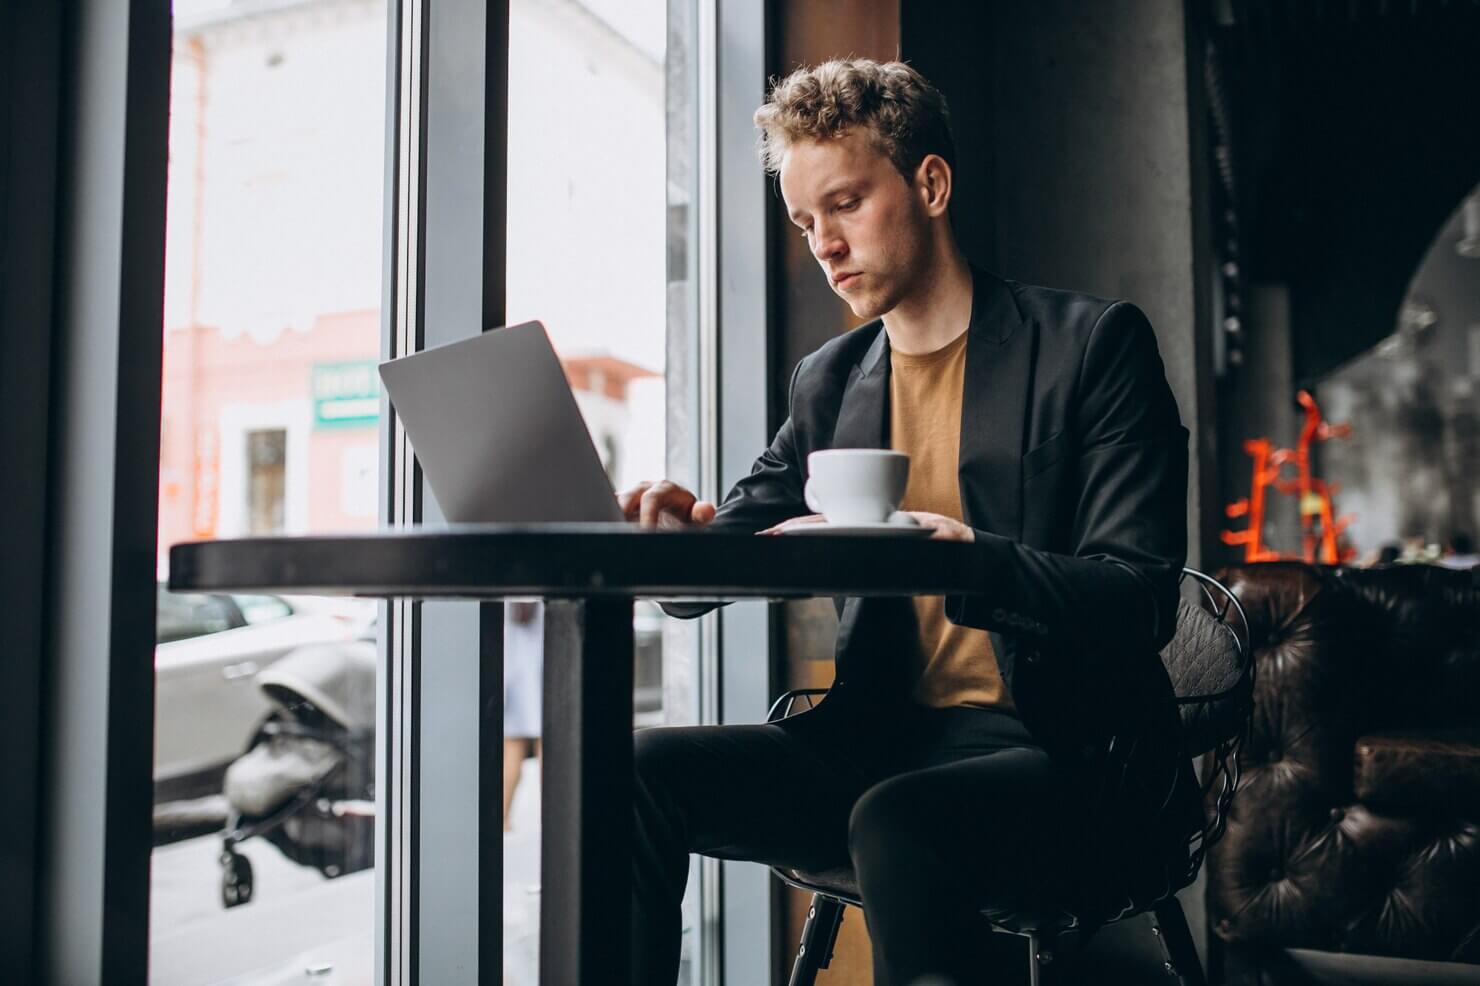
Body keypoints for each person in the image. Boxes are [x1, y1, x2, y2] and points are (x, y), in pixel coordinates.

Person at [616, 59, 1202, 986]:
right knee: (635, 770)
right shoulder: (829, 381)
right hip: (876, 743)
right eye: (805, 222)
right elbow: (721, 565)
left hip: (1070, 755)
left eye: (845, 204)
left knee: (895, 820)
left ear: (929, 185)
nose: (824, 244)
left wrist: (973, 562)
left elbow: (1139, 600)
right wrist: (673, 551)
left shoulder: (1091, 347)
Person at [501, 599, 544, 831]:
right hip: (540, 664)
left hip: (516, 666)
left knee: (513, 746)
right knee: (550, 748)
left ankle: (501, 819)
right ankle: (557, 817)